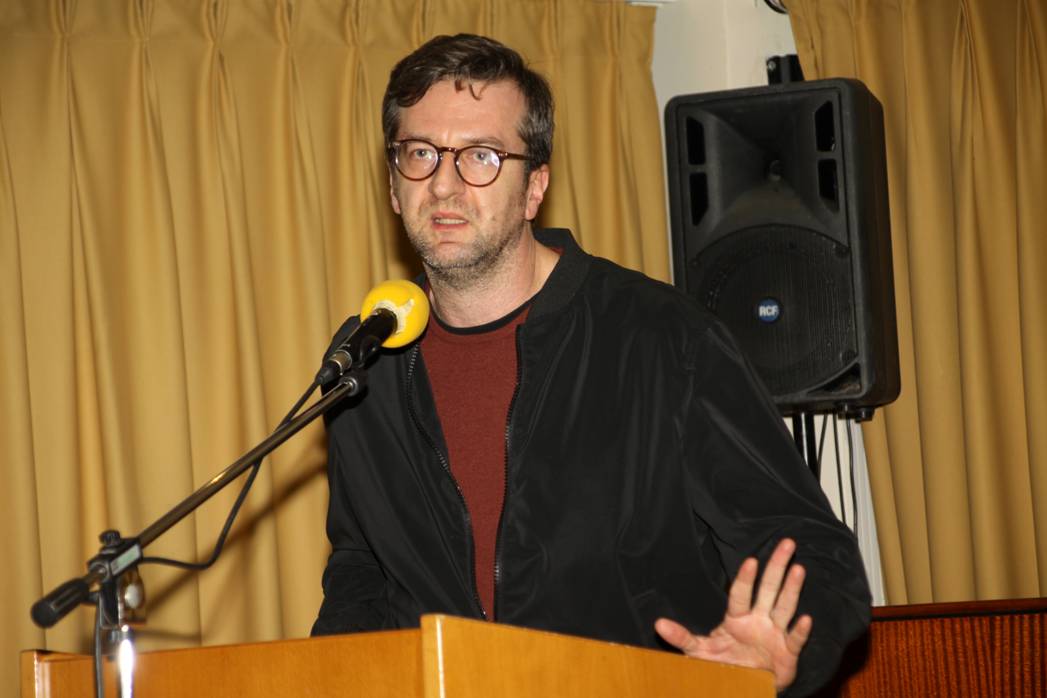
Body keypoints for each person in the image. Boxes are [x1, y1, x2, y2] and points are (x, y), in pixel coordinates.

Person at [312, 34, 870, 696]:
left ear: (534, 187)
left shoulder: (662, 337)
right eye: (420, 153)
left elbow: (811, 549)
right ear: (392, 184)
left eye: (481, 156)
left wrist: (778, 650)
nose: (443, 184)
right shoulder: (366, 358)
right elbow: (363, 564)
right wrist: (333, 676)